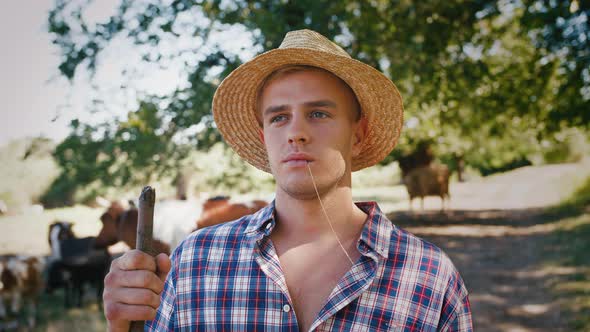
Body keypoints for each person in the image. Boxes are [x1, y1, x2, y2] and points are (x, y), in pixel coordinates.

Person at [103, 29, 473, 331]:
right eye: (279, 118)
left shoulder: (428, 277)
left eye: (318, 113)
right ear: (264, 138)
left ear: (358, 135)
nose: (295, 132)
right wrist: (120, 326)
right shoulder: (198, 260)